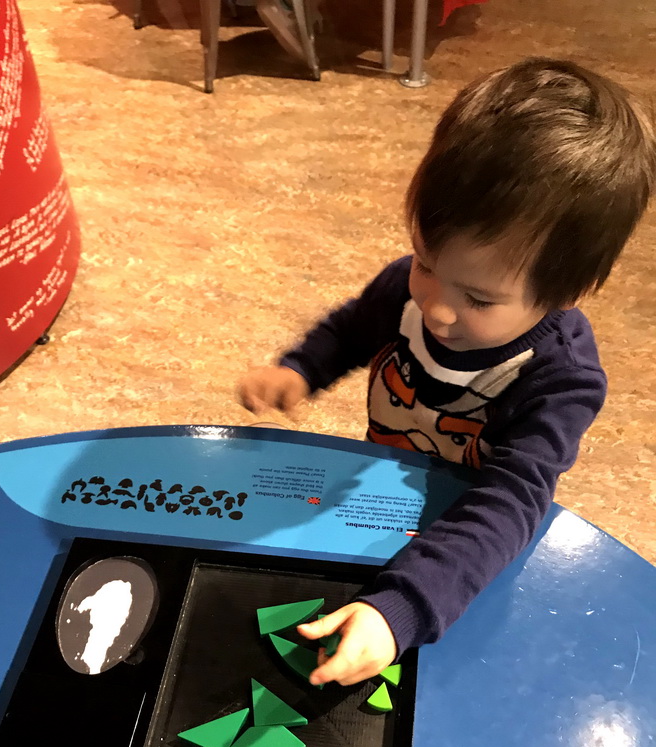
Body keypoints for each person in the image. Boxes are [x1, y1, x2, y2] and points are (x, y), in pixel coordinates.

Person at [238, 57, 656, 687]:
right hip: (386, 491)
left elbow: (511, 500)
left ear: (566, 293)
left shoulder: (560, 378)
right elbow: (352, 328)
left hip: (467, 538)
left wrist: (404, 607)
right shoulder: (405, 293)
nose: (434, 306)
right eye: (427, 262)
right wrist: (300, 370)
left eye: (480, 300)